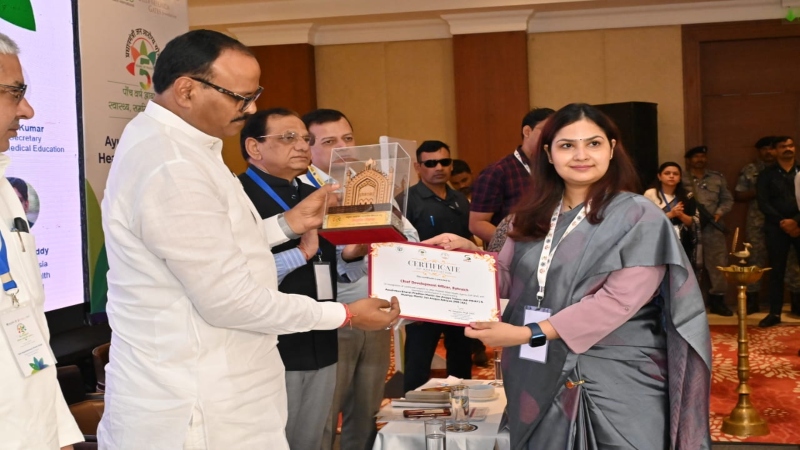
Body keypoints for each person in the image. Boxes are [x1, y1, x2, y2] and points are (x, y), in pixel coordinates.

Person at [98, 30, 399, 450]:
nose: (251, 108)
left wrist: (287, 224)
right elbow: (230, 301)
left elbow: (214, 242)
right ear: (186, 90)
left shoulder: (188, 147)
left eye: (254, 95)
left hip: (222, 386)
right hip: (199, 403)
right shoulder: (172, 165)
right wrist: (345, 314)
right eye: (240, 97)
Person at [430, 103, 712, 449]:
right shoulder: (526, 216)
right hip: (537, 366)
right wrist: (463, 260)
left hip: (616, 372)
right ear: (548, 154)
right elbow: (503, 277)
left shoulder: (640, 216)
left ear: (612, 148)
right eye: (567, 145)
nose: (581, 155)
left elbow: (617, 302)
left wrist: (528, 333)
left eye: (593, 143)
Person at [238, 108, 369, 450]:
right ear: (254, 147)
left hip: (322, 336)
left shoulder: (314, 192)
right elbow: (236, 277)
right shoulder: (238, 197)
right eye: (288, 138)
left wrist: (352, 253)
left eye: (305, 139)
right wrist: (301, 253)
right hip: (272, 346)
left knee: (314, 439)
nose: (301, 146)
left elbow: (339, 269)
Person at [301, 108, 419, 450]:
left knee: (367, 409)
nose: (344, 148)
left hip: (376, 311)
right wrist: (354, 253)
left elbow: (408, 235)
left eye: (348, 138)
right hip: (333, 317)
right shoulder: (303, 193)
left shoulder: (370, 183)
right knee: (325, 413)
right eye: (330, 141)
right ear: (308, 148)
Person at [0, 32, 83, 450]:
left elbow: (27, 321)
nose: (28, 111)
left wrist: (59, 434)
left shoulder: (4, 187)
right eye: (15, 93)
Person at [402, 140, 474, 393]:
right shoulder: (406, 200)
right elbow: (399, 249)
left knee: (461, 354)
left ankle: (462, 407)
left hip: (459, 291)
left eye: (444, 162)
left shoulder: (460, 199)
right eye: (431, 163)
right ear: (418, 167)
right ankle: (413, 408)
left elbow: (469, 240)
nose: (439, 168)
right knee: (418, 357)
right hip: (424, 291)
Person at [469, 107, 554, 243]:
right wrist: (513, 246)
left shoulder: (556, 168)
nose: (551, 137)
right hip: (516, 250)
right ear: (527, 131)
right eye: (547, 131)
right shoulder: (498, 171)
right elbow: (477, 223)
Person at [683, 145, 735, 316]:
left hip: (713, 228)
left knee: (718, 264)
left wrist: (719, 214)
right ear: (688, 160)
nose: (700, 159)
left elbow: (727, 199)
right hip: (689, 227)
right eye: (696, 157)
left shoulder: (716, 178)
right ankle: (689, 302)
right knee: (688, 263)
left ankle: (717, 301)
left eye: (702, 156)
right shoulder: (681, 178)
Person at [757, 136, 800, 328]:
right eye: (783, 146)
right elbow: (763, 203)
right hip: (776, 227)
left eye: (790, 145)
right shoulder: (766, 174)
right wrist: (784, 223)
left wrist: (796, 222)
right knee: (776, 270)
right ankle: (775, 313)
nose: (788, 149)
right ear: (775, 151)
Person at [643, 162, 701, 268]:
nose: (671, 176)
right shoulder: (650, 194)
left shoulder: (687, 196)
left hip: (682, 241)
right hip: (657, 240)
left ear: (680, 178)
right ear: (659, 176)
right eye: (667, 173)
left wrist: (680, 215)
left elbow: (694, 223)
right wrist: (670, 214)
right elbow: (646, 221)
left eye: (675, 174)